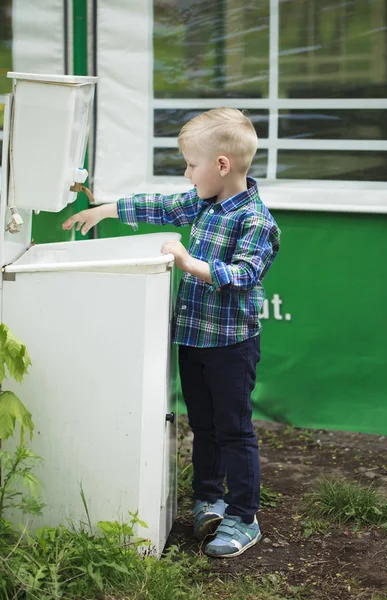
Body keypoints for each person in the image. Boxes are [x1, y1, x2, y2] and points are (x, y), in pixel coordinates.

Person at [62, 107, 280, 558]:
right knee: (203, 426)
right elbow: (160, 204)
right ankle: (208, 499)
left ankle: (243, 516)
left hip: (231, 346)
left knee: (234, 429)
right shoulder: (203, 201)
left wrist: (187, 261)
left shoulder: (256, 221)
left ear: (221, 165)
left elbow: (243, 274)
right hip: (195, 341)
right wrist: (106, 209)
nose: (187, 173)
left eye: (191, 165)